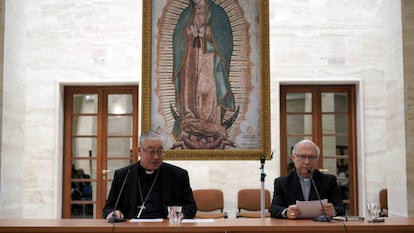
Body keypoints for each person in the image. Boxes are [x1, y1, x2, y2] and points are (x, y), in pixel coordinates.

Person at [171, 0, 236, 149]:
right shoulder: (185, 16)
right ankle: (190, 119)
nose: (199, 10)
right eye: (196, 7)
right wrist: (188, 33)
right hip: (189, 61)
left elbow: (225, 40)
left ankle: (212, 123)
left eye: (202, 7)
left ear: (208, 7)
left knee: (208, 90)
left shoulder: (219, 14)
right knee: (190, 91)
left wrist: (207, 32)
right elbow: (177, 41)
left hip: (210, 61)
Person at [103, 130, 197, 220]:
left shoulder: (178, 176)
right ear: (139, 151)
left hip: (166, 228)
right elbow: (109, 207)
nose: (156, 157)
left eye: (160, 152)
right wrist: (112, 213)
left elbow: (191, 207)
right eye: (151, 151)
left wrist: (181, 214)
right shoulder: (123, 175)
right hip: (131, 228)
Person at [269, 139, 345, 219]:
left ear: (317, 159)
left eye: (312, 157)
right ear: (293, 158)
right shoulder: (282, 182)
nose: (307, 162)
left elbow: (341, 208)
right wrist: (286, 212)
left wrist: (333, 211)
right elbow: (274, 208)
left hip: (320, 227)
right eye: (302, 156)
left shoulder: (329, 181)